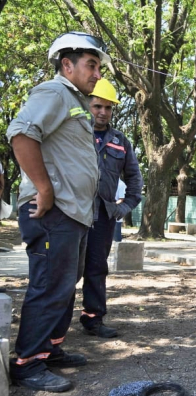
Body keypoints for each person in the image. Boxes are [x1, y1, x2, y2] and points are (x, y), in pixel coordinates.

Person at [6, 32, 110, 392]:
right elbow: (21, 134)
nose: (97, 73)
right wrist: (45, 189)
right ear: (67, 65)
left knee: (65, 284)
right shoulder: (54, 92)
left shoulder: (74, 101)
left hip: (73, 215)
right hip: (55, 213)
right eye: (91, 65)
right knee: (50, 285)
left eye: (98, 66)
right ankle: (28, 363)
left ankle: (50, 350)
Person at [80, 79, 143, 338]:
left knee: (96, 267)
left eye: (108, 107)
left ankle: (93, 319)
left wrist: (124, 207)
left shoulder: (120, 141)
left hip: (104, 215)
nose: (102, 112)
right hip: (72, 213)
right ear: (87, 104)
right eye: (97, 106)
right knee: (65, 270)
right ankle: (53, 326)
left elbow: (134, 179)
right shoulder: (74, 134)